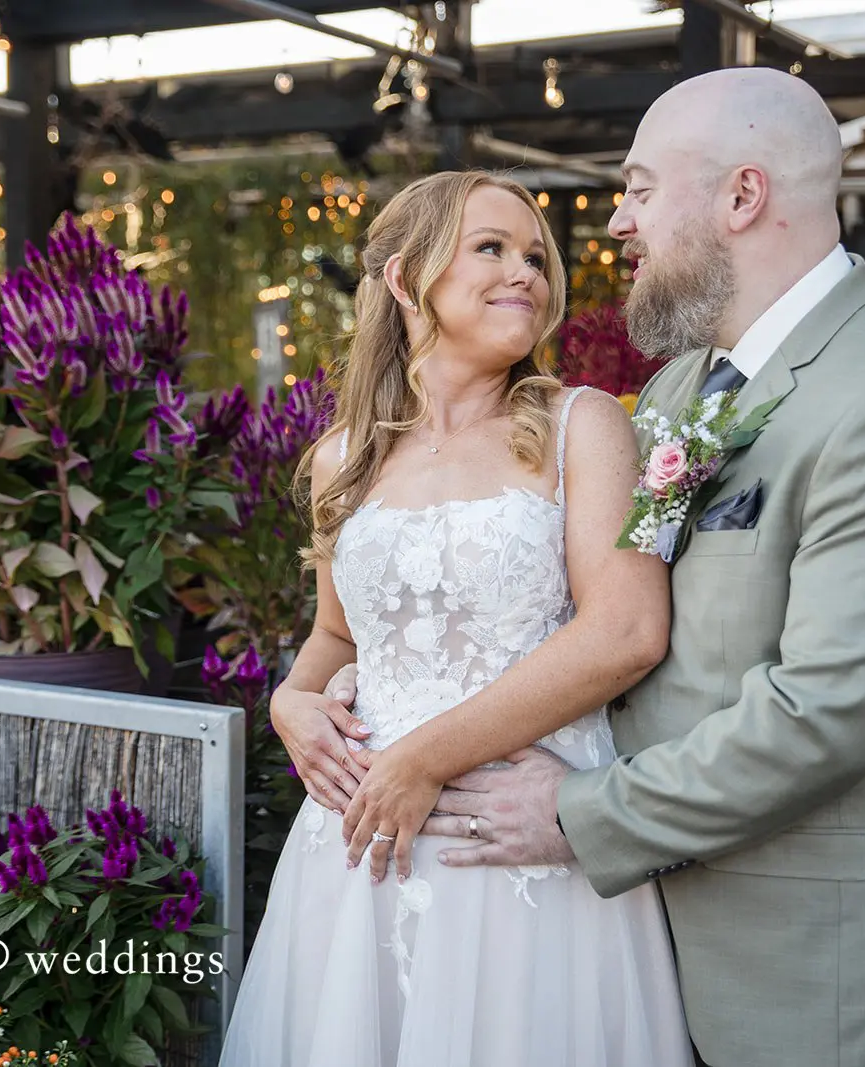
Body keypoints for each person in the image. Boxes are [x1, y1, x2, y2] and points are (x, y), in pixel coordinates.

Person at [330, 68, 865, 1067]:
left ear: (742, 197)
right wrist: (359, 674)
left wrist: (577, 811)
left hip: (815, 966)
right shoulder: (678, 390)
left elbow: (824, 710)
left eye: (641, 188)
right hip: (646, 929)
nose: (616, 223)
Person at [217, 169, 695, 1066]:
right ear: (406, 278)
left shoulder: (581, 425)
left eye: (534, 258)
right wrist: (290, 702)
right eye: (491, 248)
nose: (526, 274)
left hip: (511, 842)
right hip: (359, 850)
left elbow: (626, 631)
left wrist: (423, 759)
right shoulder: (341, 460)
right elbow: (337, 636)